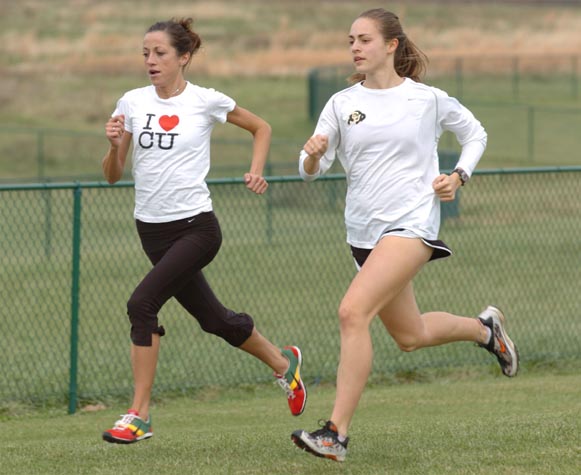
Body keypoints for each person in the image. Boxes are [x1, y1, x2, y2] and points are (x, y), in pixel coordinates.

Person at [290, 8, 518, 462]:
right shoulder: (340, 103)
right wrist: (313, 156)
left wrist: (458, 175)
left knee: (352, 313)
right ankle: (485, 330)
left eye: (364, 39)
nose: (355, 47)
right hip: (362, 232)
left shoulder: (427, 99)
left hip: (412, 224)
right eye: (350, 39)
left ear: (391, 45)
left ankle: (335, 433)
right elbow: (309, 172)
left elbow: (475, 134)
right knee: (410, 335)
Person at [100, 17, 306, 444]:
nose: (150, 61)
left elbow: (261, 127)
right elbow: (112, 176)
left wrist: (255, 171)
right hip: (151, 231)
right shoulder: (132, 103)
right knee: (214, 320)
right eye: (145, 54)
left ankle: (138, 414)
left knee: (142, 304)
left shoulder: (205, 101)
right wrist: (113, 144)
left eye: (159, 53)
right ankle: (284, 364)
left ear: (184, 57)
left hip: (196, 228)